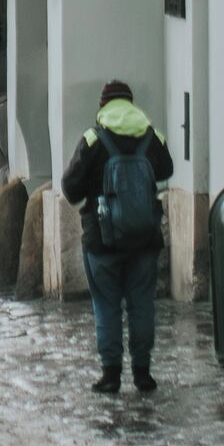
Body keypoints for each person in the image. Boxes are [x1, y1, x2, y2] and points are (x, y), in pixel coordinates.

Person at [62, 76, 174, 396]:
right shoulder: (152, 137)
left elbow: (70, 188)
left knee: (106, 305)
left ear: (103, 106)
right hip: (145, 238)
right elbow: (166, 170)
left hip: (102, 240)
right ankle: (143, 374)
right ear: (131, 104)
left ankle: (110, 375)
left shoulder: (93, 139)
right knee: (142, 304)